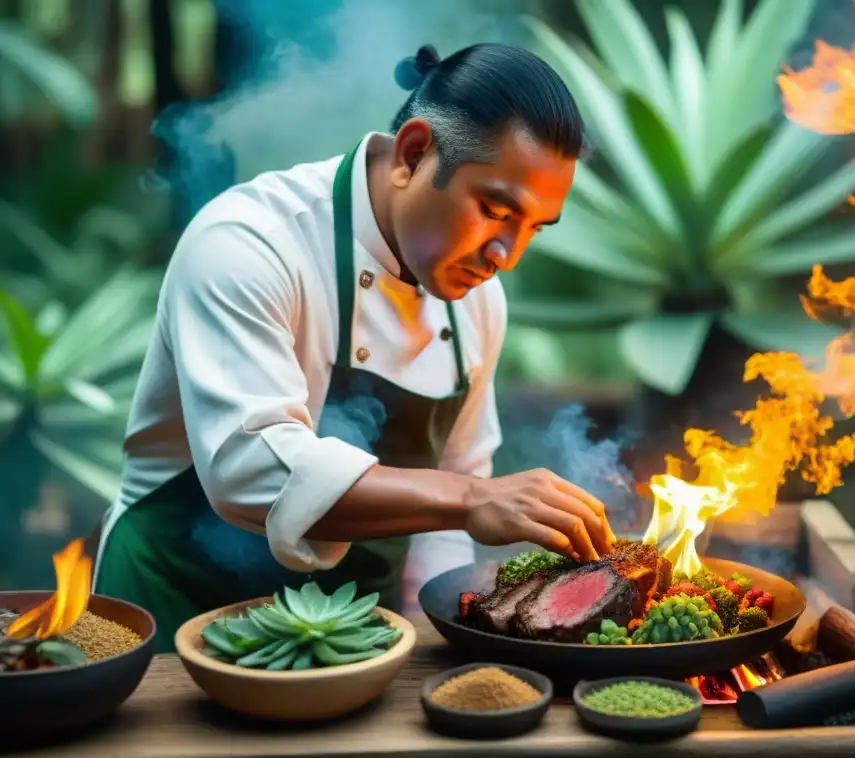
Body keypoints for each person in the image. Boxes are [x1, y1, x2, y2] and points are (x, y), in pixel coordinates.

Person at [92, 42, 616, 652]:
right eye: (496, 210)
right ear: (415, 154)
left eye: (533, 229)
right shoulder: (247, 244)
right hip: (175, 609)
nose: (507, 255)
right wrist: (473, 499)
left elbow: (453, 482)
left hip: (355, 638)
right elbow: (249, 469)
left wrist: (432, 642)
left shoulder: (478, 302)